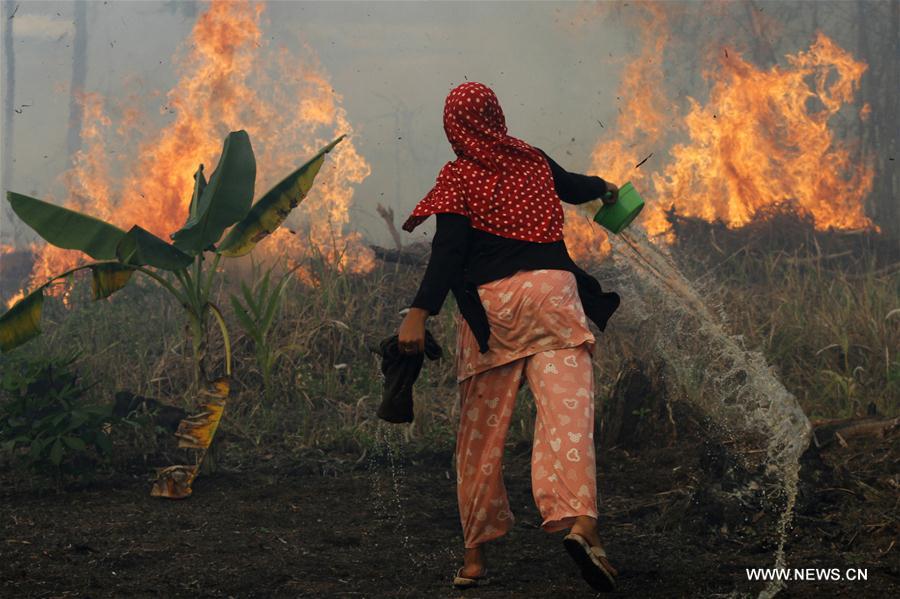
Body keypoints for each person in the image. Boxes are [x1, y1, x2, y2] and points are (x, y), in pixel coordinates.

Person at [397, 81, 621, 592]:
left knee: (481, 435)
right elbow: (577, 185)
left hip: (495, 312)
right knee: (567, 418)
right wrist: (606, 187)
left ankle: (474, 557)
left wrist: (418, 313)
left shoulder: (457, 177)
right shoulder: (533, 159)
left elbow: (449, 252)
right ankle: (582, 523)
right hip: (554, 297)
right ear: (497, 116)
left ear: (453, 127)